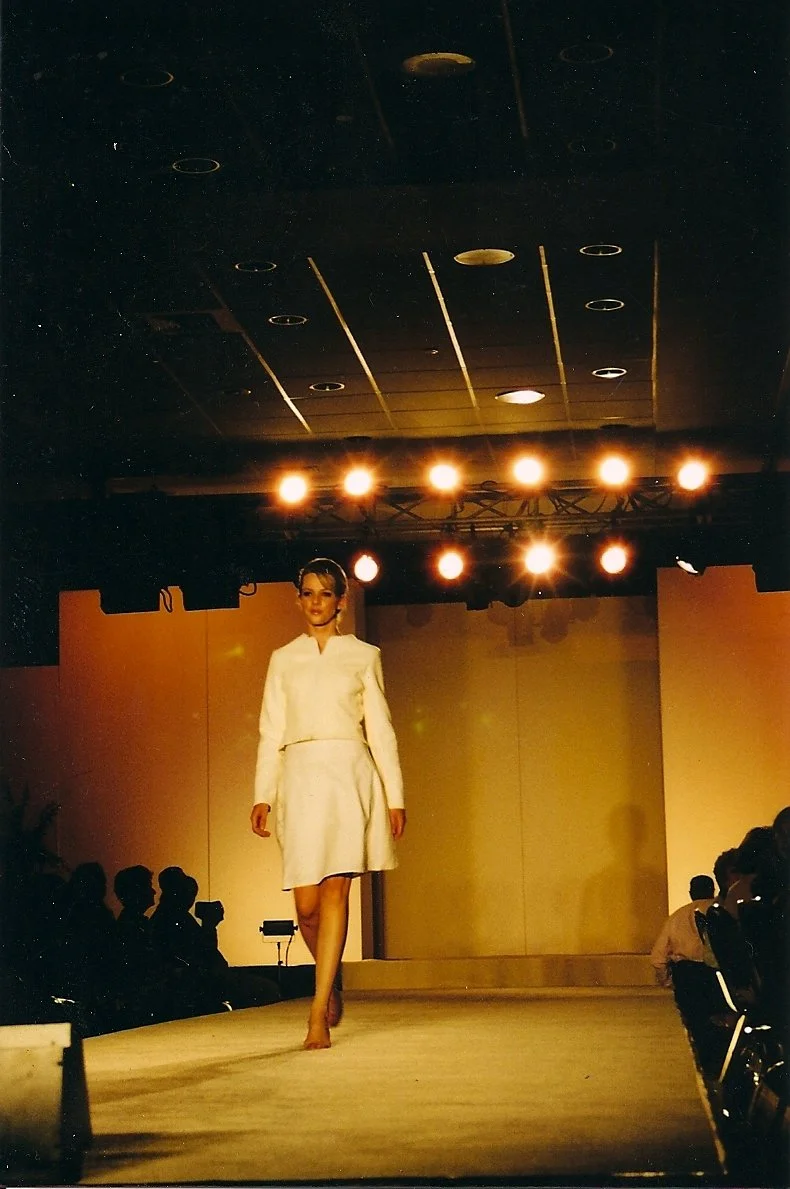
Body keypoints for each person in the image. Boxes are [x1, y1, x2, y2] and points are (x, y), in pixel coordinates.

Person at [250, 557, 406, 1050]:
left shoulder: (364, 655)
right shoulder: (283, 658)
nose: (315, 602)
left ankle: (317, 1012)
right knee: (306, 907)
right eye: (307, 593)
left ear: (341, 600)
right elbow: (270, 730)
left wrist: (395, 795)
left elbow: (380, 728)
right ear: (298, 599)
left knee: (337, 892)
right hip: (298, 776)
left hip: (346, 774)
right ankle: (329, 977)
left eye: (324, 593)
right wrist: (262, 793)